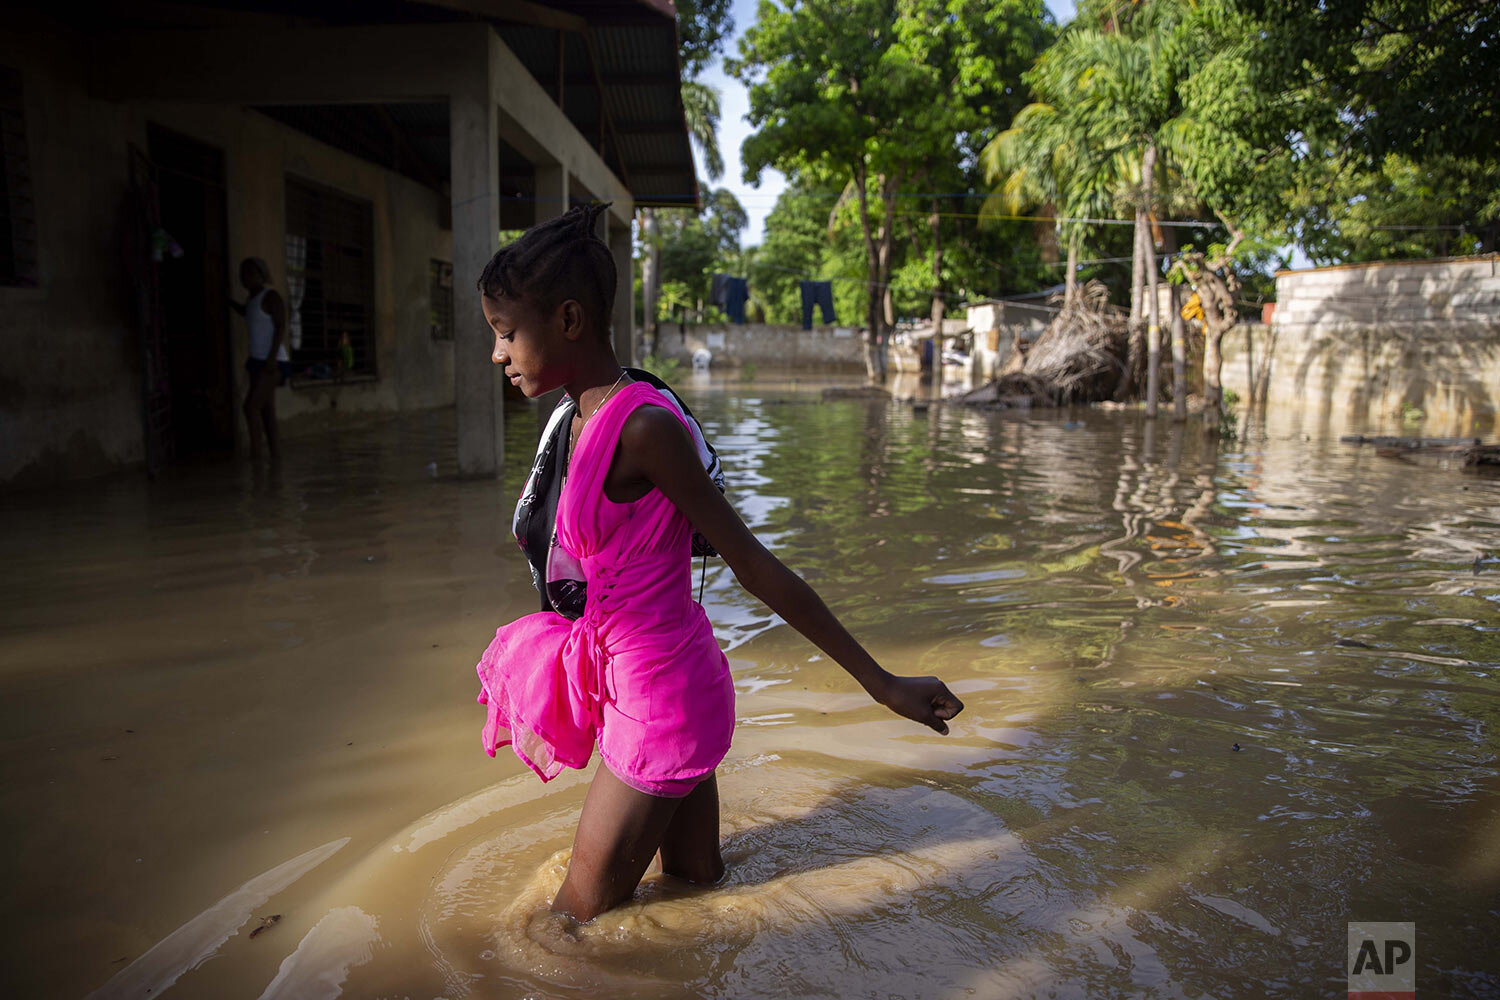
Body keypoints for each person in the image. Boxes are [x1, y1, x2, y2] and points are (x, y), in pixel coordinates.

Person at [472, 204, 964, 923]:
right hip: (653, 681)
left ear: (569, 320)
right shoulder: (576, 419)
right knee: (696, 895)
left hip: (659, 700)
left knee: (565, 929)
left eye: (507, 333)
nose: (498, 353)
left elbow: (755, 567)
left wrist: (881, 683)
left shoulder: (643, 428)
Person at [233, 257, 290, 461]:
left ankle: (256, 458)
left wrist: (272, 358)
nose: (244, 278)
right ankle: (276, 460)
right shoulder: (251, 301)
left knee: (250, 407)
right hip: (257, 362)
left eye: (249, 273)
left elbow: (280, 326)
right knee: (266, 411)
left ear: (261, 275)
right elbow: (247, 312)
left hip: (272, 363)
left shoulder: (271, 296)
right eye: (242, 274)